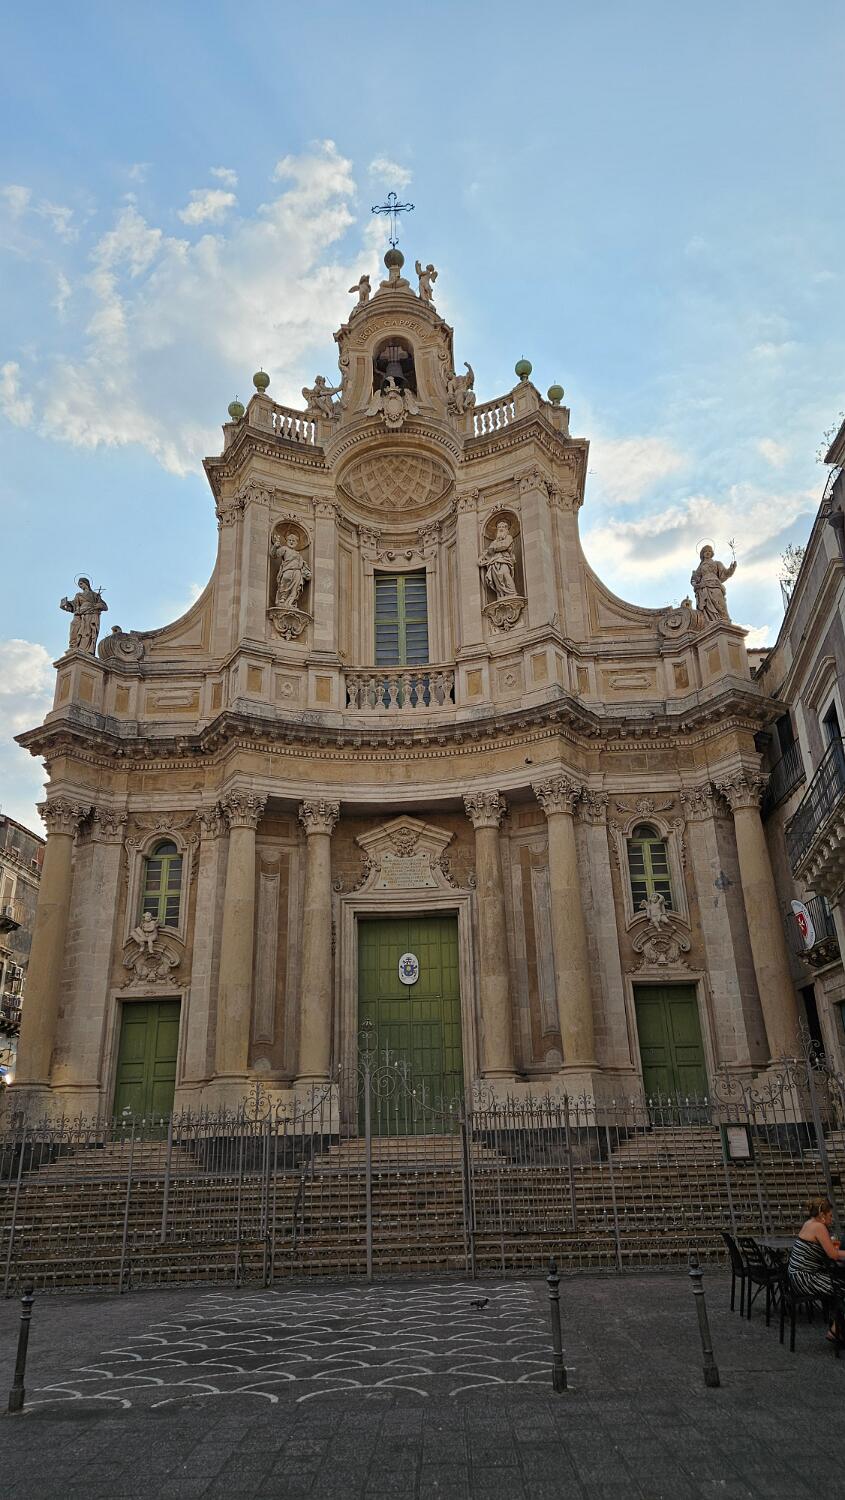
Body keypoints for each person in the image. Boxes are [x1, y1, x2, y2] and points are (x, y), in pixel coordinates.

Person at [787, 1195, 845, 1343]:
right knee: (840, 1287)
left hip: (795, 1276)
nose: (832, 1219)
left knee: (839, 1284)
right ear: (822, 1215)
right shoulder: (819, 1227)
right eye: (830, 1215)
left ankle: (837, 1326)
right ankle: (835, 1329)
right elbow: (833, 1254)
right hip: (805, 1279)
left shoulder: (809, 1223)